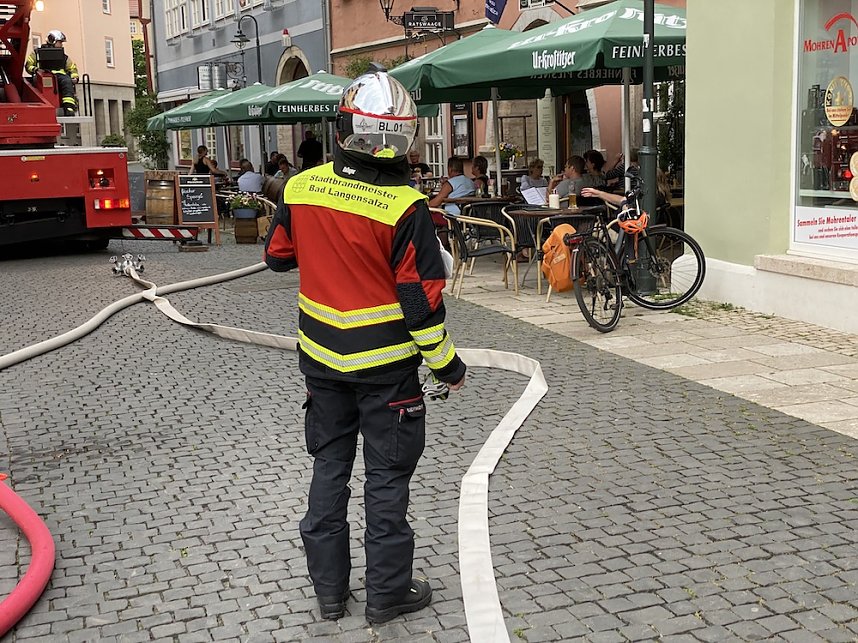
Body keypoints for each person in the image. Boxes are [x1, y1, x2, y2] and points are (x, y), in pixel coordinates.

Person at [263, 67, 466, 626]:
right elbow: (420, 305)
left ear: (345, 127)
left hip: (322, 363)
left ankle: (330, 595)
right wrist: (448, 366)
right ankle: (387, 596)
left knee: (329, 470)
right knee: (386, 480)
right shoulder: (405, 207)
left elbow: (277, 258)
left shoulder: (301, 187)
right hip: (387, 372)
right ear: (402, 137)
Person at [25, 30, 78, 116]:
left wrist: (74, 77)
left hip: (61, 77)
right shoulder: (37, 53)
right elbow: (28, 66)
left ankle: (69, 107)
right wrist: (36, 70)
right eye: (60, 42)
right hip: (43, 76)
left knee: (67, 81)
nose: (61, 45)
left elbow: (72, 67)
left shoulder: (63, 56)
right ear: (52, 40)